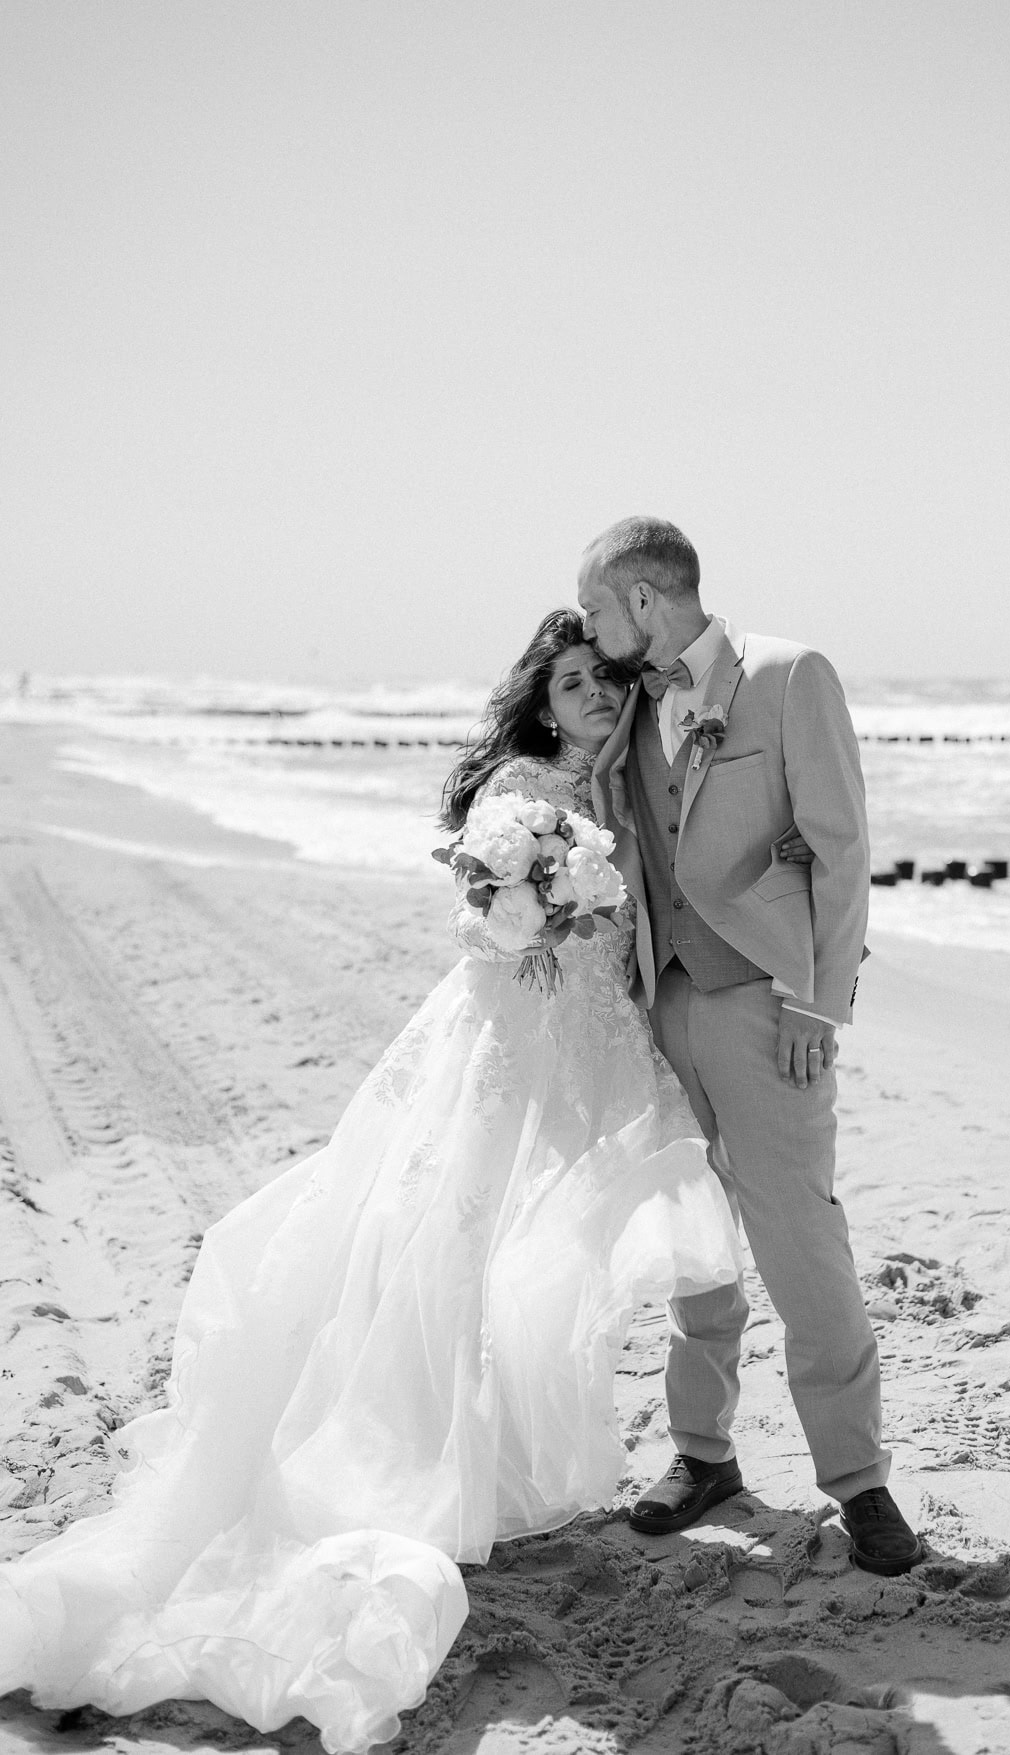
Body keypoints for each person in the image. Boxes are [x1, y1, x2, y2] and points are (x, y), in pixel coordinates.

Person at [0, 611, 742, 1755]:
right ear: (544, 700)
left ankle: (506, 1455)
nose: (598, 694)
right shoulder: (524, 785)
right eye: (576, 681)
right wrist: (528, 911)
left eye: (608, 679)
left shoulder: (607, 784)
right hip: (511, 1050)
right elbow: (481, 924)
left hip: (587, 1049)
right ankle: (403, 1459)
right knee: (447, 1244)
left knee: (544, 1248)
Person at [579, 516, 923, 1576]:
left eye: (597, 608)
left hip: (769, 1007)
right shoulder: (621, 704)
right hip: (662, 1004)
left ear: (644, 600)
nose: (591, 632)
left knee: (799, 1239)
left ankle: (859, 1481)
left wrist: (822, 1002)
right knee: (697, 1245)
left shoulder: (787, 676)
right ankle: (702, 1453)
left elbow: (841, 845)